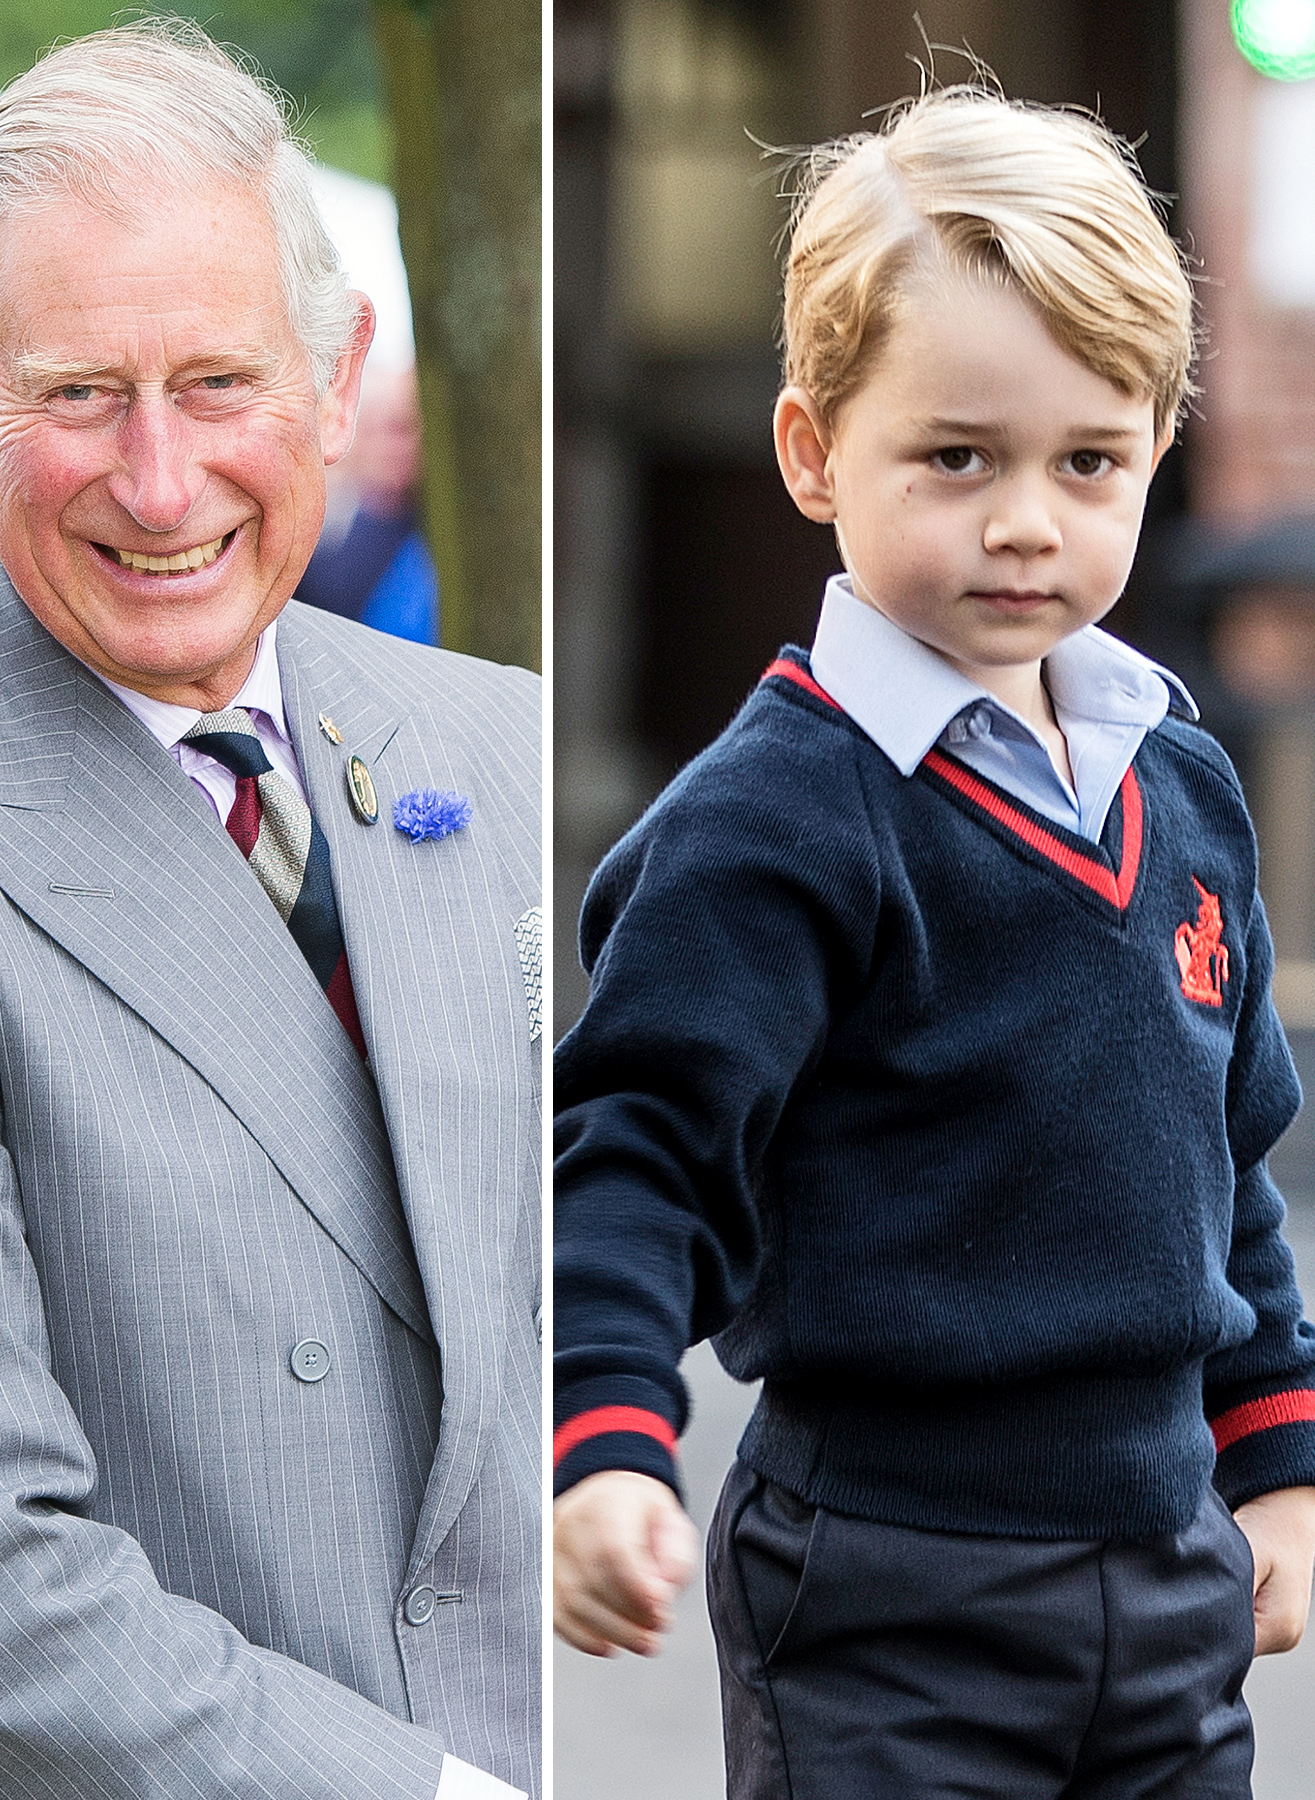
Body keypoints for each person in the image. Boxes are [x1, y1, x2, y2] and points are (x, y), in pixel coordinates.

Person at [0, 21, 540, 1800]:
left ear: (337, 375)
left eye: (217, 382)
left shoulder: (488, 742)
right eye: (75, 395)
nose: (162, 478)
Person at [553, 86, 1315, 1799]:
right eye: (955, 456)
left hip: (1166, 1564)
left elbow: (1227, 1167)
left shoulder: (1181, 786)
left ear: (1154, 445)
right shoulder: (775, 820)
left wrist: (1275, 1462)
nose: (1026, 519)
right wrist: (602, 1442)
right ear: (814, 450)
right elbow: (632, 1155)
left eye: (1086, 461)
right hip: (889, 1589)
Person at [295, 362, 440, 645]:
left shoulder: (439, 537)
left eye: (407, 430)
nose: (397, 446)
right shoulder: (318, 554)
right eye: (387, 430)